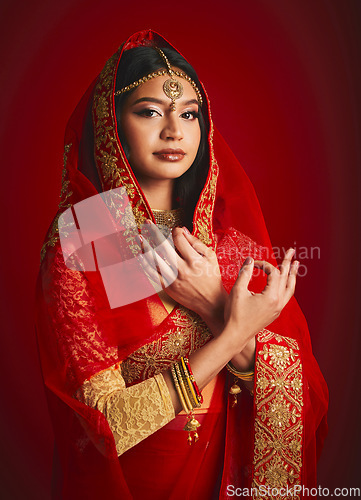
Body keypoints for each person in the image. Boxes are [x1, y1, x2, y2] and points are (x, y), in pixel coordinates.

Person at [36, 29, 328, 499]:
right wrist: (232, 334)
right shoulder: (84, 240)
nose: (174, 131)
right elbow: (105, 426)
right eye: (150, 112)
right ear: (111, 125)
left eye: (189, 115)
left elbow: (307, 403)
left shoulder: (228, 243)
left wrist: (215, 306)